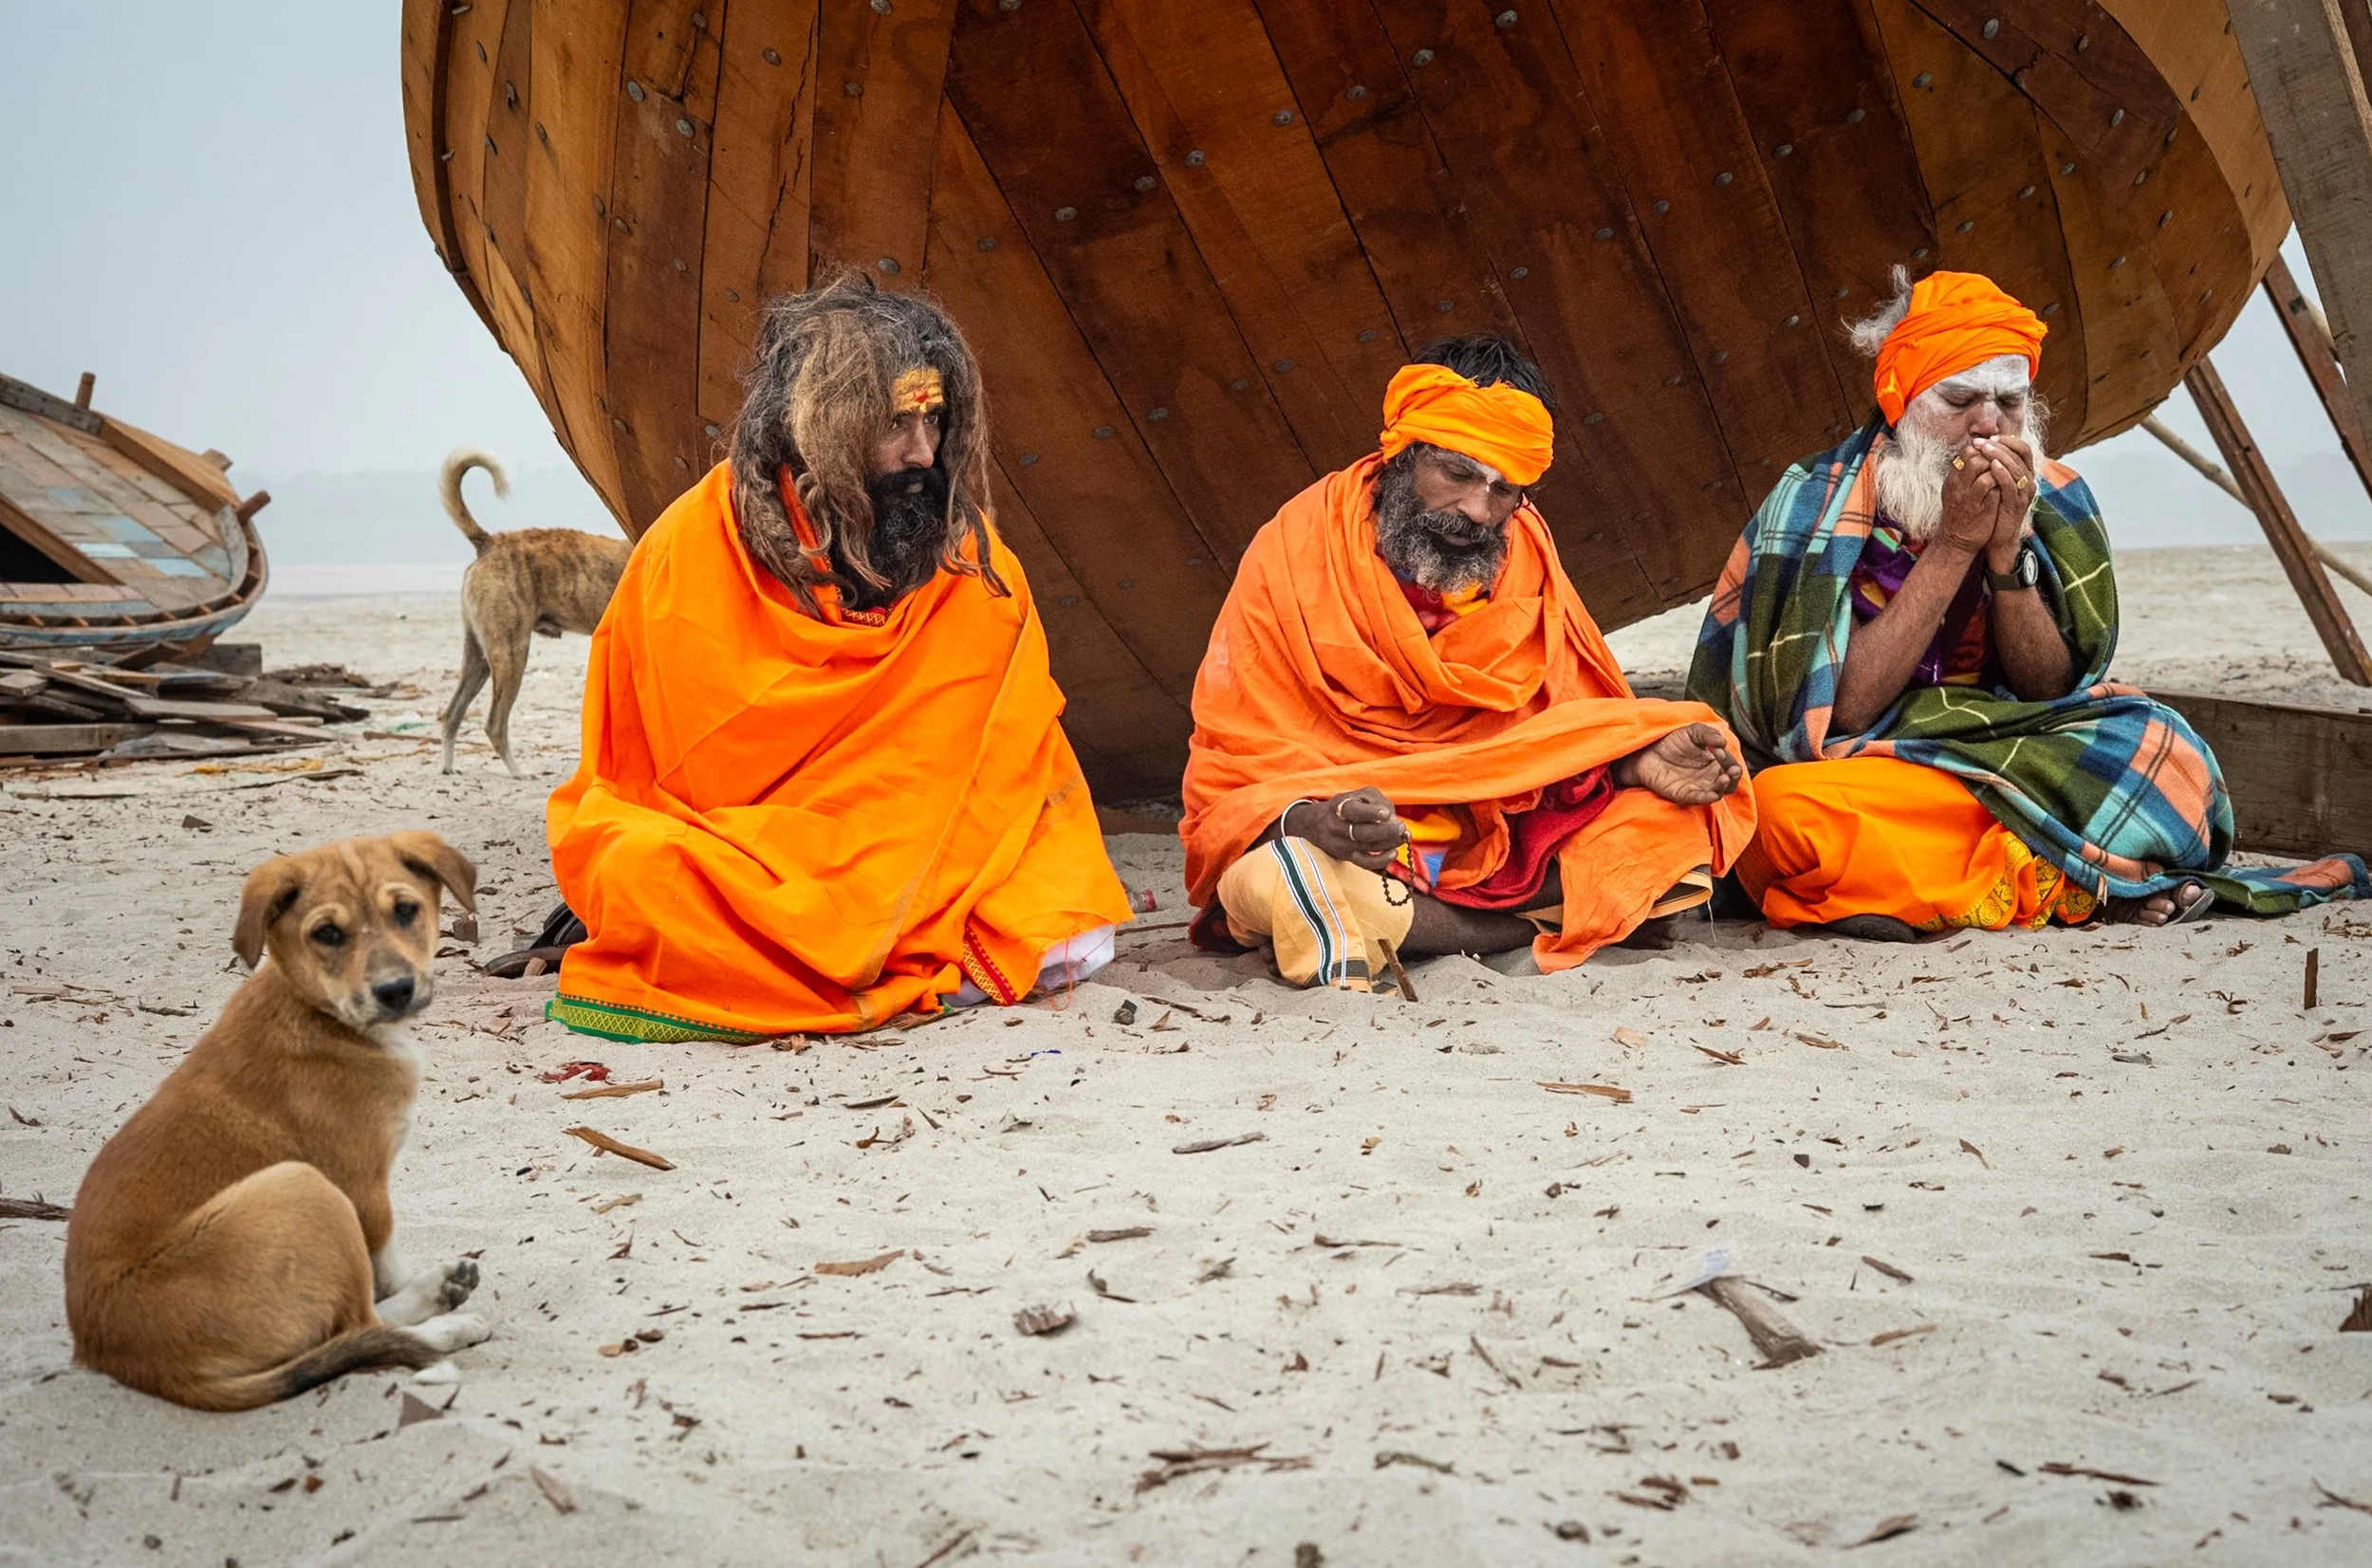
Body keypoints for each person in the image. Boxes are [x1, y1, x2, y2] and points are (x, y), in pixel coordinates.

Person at [1688, 267, 2367, 938]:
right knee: (1779, 814)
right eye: (1959, 402)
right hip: (1865, 763)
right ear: (1901, 403)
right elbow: (1842, 710)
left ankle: (1957, 876)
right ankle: (2070, 882)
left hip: (2007, 747)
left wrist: (2006, 553)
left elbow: (2054, 689)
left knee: (2170, 752)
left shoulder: (2057, 497)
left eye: (2009, 404)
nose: (1987, 426)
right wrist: (1954, 546)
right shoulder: (1815, 501)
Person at [541, 271, 1133, 1040]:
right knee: (635, 869)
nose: (924, 453)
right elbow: (652, 773)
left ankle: (863, 941)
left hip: (934, 855)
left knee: (1077, 931)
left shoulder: (973, 569)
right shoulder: (687, 554)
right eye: (895, 426)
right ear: (821, 430)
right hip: (747, 846)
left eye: (936, 422)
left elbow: (1009, 761)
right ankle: (870, 941)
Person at [1179, 336, 1756, 989]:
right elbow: (1236, 768)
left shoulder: (1526, 549)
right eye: (1457, 475)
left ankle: (1385, 920)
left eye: (1506, 490)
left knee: (1678, 823)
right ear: (1403, 451)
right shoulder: (1293, 550)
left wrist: (1634, 759)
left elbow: (1563, 726)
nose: (1479, 513)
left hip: (1499, 829)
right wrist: (1314, 818)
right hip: (1361, 833)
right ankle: (1531, 918)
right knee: (1269, 869)